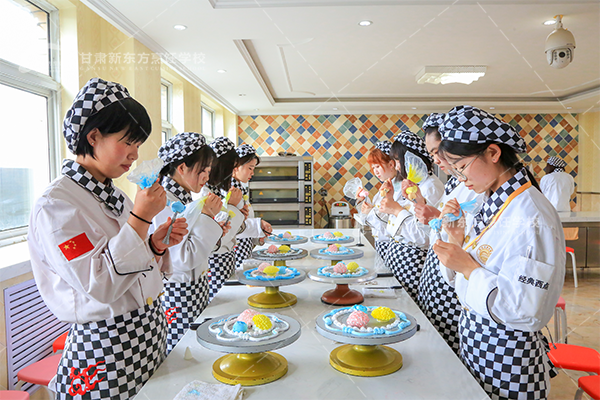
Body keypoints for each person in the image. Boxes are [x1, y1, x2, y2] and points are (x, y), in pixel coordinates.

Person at [28, 78, 188, 399]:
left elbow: (130, 269)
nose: (134, 154)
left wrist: (154, 244)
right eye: (127, 142)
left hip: (148, 333)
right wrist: (141, 218)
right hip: (106, 349)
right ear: (93, 136)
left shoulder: (114, 195)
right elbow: (100, 284)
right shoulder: (57, 204)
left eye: (138, 144)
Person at [433, 105, 565, 400]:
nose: (461, 179)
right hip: (479, 344)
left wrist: (468, 268)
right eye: (454, 170)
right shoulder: (495, 203)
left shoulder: (530, 213)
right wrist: (459, 240)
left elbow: (524, 311)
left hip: (508, 357)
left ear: (493, 153)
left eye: (463, 166)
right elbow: (481, 272)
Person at [154, 132, 230, 353]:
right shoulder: (165, 202)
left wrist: (215, 230)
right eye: (203, 171)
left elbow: (196, 243)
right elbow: (182, 259)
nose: (207, 177)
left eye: (208, 171)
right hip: (179, 293)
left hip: (197, 286)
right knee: (186, 354)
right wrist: (207, 217)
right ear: (182, 168)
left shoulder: (185, 199)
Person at [412, 113, 480, 354]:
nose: (438, 159)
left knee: (448, 353)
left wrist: (439, 223)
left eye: (439, 150)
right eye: (431, 153)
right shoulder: (454, 184)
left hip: (454, 280)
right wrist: (434, 218)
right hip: (437, 272)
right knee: (434, 347)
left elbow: (466, 239)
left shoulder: (475, 187)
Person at [378, 130, 444, 299]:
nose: (397, 165)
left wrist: (396, 210)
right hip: (400, 258)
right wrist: (390, 201)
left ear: (412, 158)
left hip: (412, 262)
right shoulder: (413, 183)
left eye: (398, 160)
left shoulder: (430, 186)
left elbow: (424, 236)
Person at [200, 137, 245, 301]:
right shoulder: (203, 193)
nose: (232, 173)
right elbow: (216, 232)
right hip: (214, 258)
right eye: (230, 168)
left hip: (226, 254)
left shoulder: (216, 189)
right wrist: (233, 209)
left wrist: (239, 214)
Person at [359, 141, 402, 270]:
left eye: (377, 166)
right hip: (381, 245)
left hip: (391, 245)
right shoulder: (384, 187)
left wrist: (371, 211)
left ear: (391, 164)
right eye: (373, 168)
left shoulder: (401, 188)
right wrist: (363, 204)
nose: (376, 172)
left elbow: (390, 222)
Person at [231, 144, 272, 269]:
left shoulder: (240, 187)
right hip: (235, 251)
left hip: (245, 248)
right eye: (250, 168)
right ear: (236, 166)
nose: (252, 173)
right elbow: (231, 225)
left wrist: (257, 234)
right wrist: (257, 225)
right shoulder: (230, 190)